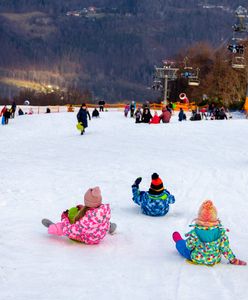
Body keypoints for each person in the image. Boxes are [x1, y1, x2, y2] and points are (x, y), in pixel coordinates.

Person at [172, 200, 247, 266]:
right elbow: (225, 249)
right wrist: (233, 260)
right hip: (214, 259)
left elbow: (189, 246)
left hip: (197, 258)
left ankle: (178, 240)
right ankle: (182, 241)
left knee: (183, 246)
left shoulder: (195, 232)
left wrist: (191, 241)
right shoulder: (220, 233)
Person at [42, 187, 117, 244]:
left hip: (89, 239)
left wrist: (65, 220)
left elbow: (72, 230)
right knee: (101, 222)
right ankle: (110, 227)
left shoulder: (86, 220)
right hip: (100, 234)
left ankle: (54, 227)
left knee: (66, 228)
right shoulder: (104, 209)